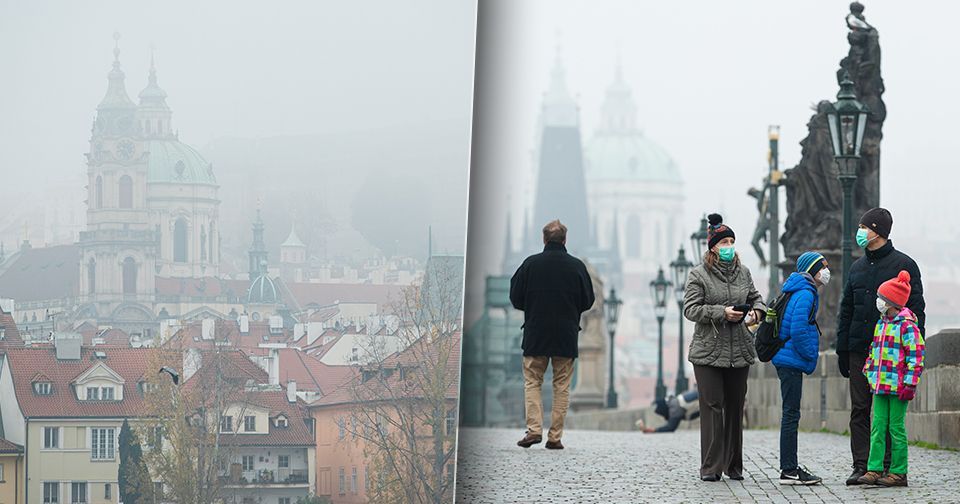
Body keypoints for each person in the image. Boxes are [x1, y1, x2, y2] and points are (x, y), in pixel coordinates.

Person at [836, 207, 924, 485]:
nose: (860, 232)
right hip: (860, 349)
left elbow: (917, 312)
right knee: (860, 409)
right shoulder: (856, 267)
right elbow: (846, 309)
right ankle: (863, 465)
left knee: (887, 411)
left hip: (893, 353)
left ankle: (890, 467)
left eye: (864, 227)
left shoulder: (905, 265)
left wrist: (912, 354)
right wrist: (842, 348)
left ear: (879, 231)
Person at [683, 213, 765, 481]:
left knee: (734, 408)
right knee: (713, 405)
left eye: (731, 241)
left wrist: (757, 313)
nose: (728, 246)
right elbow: (691, 309)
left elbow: (756, 298)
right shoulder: (699, 274)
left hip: (739, 350)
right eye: (723, 242)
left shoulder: (744, 272)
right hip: (708, 352)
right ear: (713, 247)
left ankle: (734, 466)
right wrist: (722, 312)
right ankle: (710, 467)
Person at [510, 219, 595, 450]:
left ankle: (534, 430)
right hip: (566, 334)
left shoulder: (530, 264)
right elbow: (588, 301)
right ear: (565, 240)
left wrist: (533, 307)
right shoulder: (577, 266)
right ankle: (555, 436)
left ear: (544, 239)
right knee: (561, 386)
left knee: (532, 382)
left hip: (536, 332)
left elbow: (515, 298)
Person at [856, 270, 924, 487]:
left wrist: (910, 383)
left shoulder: (907, 326)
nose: (879, 302)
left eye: (882, 299)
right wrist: (869, 372)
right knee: (877, 426)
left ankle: (898, 471)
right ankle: (874, 468)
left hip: (899, 386)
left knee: (896, 428)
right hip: (880, 384)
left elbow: (916, 356)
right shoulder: (882, 323)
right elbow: (874, 351)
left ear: (892, 302)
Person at [772, 252, 829, 485]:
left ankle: (789, 467)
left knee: (790, 413)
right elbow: (797, 330)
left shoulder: (796, 289)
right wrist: (810, 355)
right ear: (812, 270)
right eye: (823, 267)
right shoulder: (806, 293)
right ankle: (789, 470)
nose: (827, 271)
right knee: (791, 415)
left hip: (785, 358)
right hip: (791, 359)